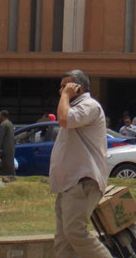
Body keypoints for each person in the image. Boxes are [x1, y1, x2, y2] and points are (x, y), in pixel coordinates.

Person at [50, 69, 112, 257]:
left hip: (82, 182)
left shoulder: (89, 106)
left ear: (80, 87)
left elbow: (64, 119)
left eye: (65, 86)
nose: (61, 90)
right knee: (63, 240)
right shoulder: (71, 106)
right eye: (60, 87)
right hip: (68, 184)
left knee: (75, 232)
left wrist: (66, 95)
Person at [0, 110, 15, 176]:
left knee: (5, 163)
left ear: (2, 116)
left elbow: (0, 138)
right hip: (11, 147)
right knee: (9, 163)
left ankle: (5, 174)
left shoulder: (3, 124)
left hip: (5, 148)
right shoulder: (10, 124)